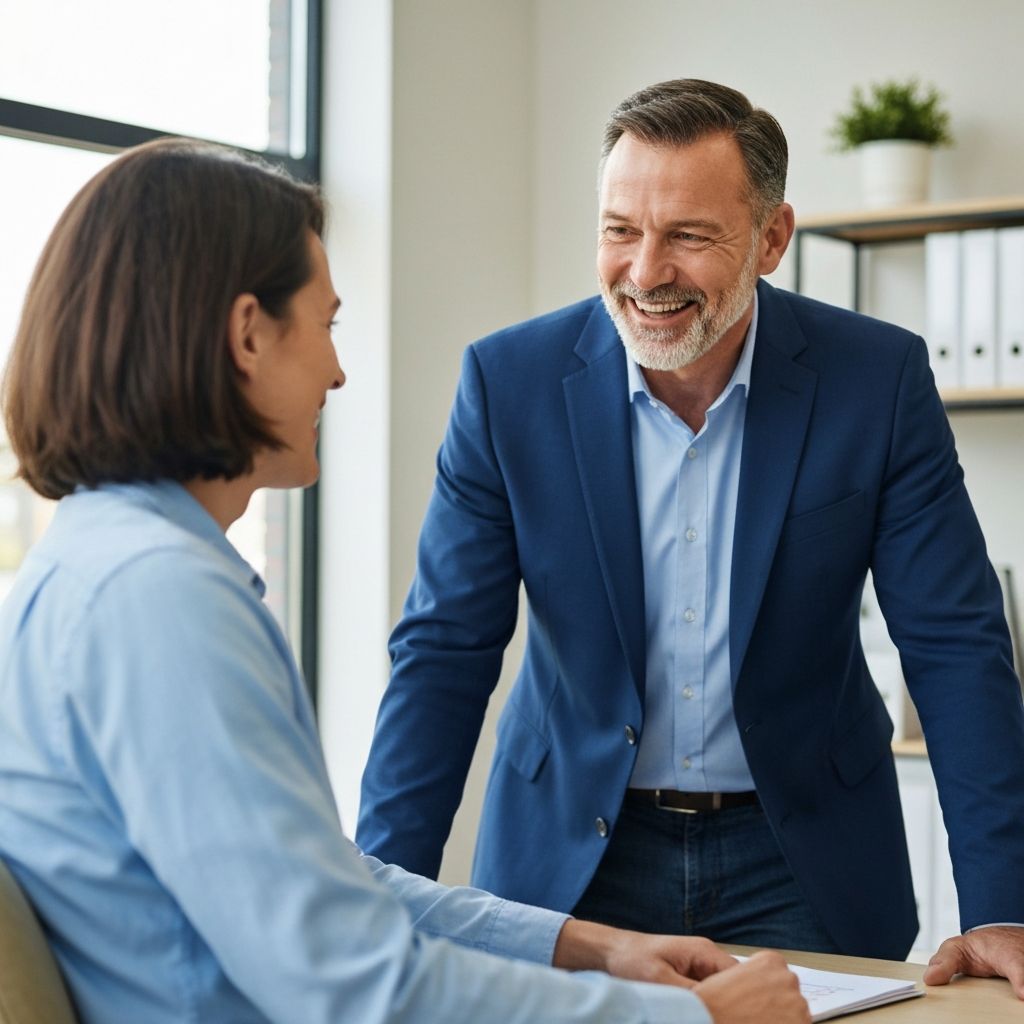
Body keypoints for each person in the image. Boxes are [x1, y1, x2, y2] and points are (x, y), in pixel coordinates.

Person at [0, 138, 814, 1024]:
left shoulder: (105, 565)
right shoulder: (156, 603)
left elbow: (323, 881)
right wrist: (699, 1021)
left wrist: (588, 945)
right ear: (246, 335)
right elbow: (354, 982)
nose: (337, 371)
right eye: (327, 324)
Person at [356, 78, 1024, 994]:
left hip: (801, 856)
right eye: (620, 229)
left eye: (688, 235)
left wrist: (1002, 903)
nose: (645, 271)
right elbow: (443, 651)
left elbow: (954, 645)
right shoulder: (507, 384)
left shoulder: (877, 380)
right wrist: (379, 892)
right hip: (575, 858)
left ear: (772, 238)